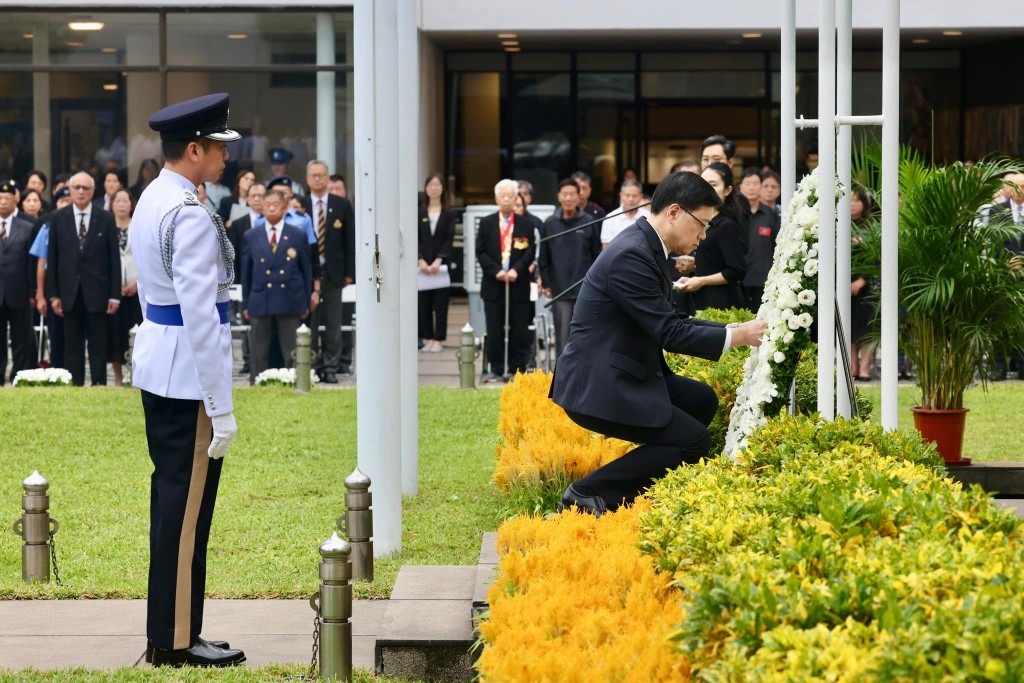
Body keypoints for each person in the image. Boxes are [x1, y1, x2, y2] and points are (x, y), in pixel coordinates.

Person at [550, 171, 767, 516]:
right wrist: (740, 336)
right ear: (675, 212)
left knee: (701, 401)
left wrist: (734, 327)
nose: (704, 236)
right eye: (702, 224)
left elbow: (673, 320)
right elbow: (671, 333)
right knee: (693, 440)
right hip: (599, 384)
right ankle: (587, 493)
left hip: (625, 369)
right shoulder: (632, 255)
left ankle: (644, 483)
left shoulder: (648, 246)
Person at [131, 92, 246, 668]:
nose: (226, 156)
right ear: (194, 149)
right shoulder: (190, 213)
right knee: (185, 515)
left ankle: (176, 630)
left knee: (174, 505)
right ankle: (175, 642)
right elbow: (203, 317)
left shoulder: (156, 196)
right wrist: (220, 406)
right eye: (219, 146)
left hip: (161, 362)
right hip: (188, 376)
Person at [46, 171, 121, 386]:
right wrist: (54, 295)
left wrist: (114, 295)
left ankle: (98, 384)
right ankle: (75, 383)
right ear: (70, 189)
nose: (80, 192)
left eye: (85, 188)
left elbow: (114, 260)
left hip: (98, 292)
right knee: (72, 344)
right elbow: (53, 258)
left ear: (92, 191)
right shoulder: (58, 218)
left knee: (98, 343)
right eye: (76, 187)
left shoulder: (105, 218)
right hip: (69, 292)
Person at [242, 189, 312, 383]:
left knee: (290, 348)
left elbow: (306, 270)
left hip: (289, 297)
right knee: (259, 348)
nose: (271, 208)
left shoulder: (297, 234)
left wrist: (306, 301)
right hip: (260, 297)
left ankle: (293, 381)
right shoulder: (251, 235)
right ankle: (258, 382)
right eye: (267, 204)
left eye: (276, 204)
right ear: (262, 208)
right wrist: (245, 303)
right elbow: (246, 273)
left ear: (285, 208)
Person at [301, 160, 355, 382]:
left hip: (334, 273)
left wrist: (349, 273)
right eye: (313, 175)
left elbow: (350, 241)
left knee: (333, 322)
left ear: (328, 177)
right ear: (307, 179)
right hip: (307, 274)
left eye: (321, 175)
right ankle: (312, 365)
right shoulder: (300, 204)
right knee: (310, 322)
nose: (317, 179)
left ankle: (331, 367)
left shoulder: (341, 204)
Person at [476, 178, 536, 381]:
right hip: (494, 283)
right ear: (496, 199)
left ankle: (517, 368)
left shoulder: (526, 225)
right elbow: (480, 251)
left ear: (516, 198)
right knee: (494, 327)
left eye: (511, 196)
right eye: (503, 196)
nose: (507, 200)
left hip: (517, 283)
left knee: (519, 327)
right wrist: (496, 271)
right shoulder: (486, 223)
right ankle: (496, 366)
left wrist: (517, 270)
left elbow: (530, 251)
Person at [540, 178, 602, 358]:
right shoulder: (550, 223)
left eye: (572, 194)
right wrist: (547, 283)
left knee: (586, 333)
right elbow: (544, 257)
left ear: (579, 196)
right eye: (564, 194)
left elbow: (596, 255)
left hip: (585, 288)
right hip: (560, 289)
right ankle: (562, 376)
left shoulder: (589, 221)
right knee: (562, 334)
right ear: (558, 196)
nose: (568, 198)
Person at [675, 163, 748, 311]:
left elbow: (736, 271)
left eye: (713, 184)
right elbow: (716, 260)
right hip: (701, 300)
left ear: (727, 190)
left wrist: (701, 281)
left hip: (722, 305)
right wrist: (695, 264)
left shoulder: (726, 225)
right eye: (703, 183)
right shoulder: (701, 221)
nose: (706, 189)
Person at [30, 186, 72, 368]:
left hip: (75, 286)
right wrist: (40, 295)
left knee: (74, 335)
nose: (65, 205)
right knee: (56, 335)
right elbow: (41, 263)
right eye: (62, 201)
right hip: (53, 287)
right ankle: (57, 371)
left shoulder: (82, 227)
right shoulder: (48, 226)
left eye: (68, 202)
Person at [0, 179, 37, 383]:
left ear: (16, 200)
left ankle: (19, 376)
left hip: (19, 292)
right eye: (0, 198)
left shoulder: (26, 227)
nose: (3, 202)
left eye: (7, 198)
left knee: (21, 339)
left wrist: (33, 292)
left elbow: (31, 264)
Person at [418, 173, 455, 354]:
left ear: (442, 188)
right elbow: (414, 237)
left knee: (441, 305)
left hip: (441, 266)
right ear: (425, 188)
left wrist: (439, 259)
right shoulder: (419, 212)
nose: (433, 188)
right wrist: (420, 260)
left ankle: (439, 338)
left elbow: (449, 239)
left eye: (437, 185)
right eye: (430, 184)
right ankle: (427, 337)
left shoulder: (448, 214)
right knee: (424, 304)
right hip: (422, 266)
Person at [109, 188, 141, 387]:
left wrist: (137, 284)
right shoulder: (105, 227)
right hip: (114, 291)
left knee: (138, 333)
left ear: (131, 204)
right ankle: (118, 378)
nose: (121, 204)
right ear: (111, 204)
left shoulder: (138, 226)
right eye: (117, 200)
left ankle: (138, 375)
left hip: (137, 288)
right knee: (115, 335)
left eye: (125, 200)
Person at [739, 167, 780, 311]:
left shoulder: (770, 214)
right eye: (748, 183)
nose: (751, 188)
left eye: (756, 183)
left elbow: (778, 245)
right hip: (738, 279)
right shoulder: (733, 213)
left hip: (763, 279)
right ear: (740, 186)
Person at [600, 179, 650, 247]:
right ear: (621, 196)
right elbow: (605, 247)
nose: (630, 199)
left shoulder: (649, 216)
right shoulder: (610, 218)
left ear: (641, 197)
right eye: (627, 195)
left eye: (634, 196)